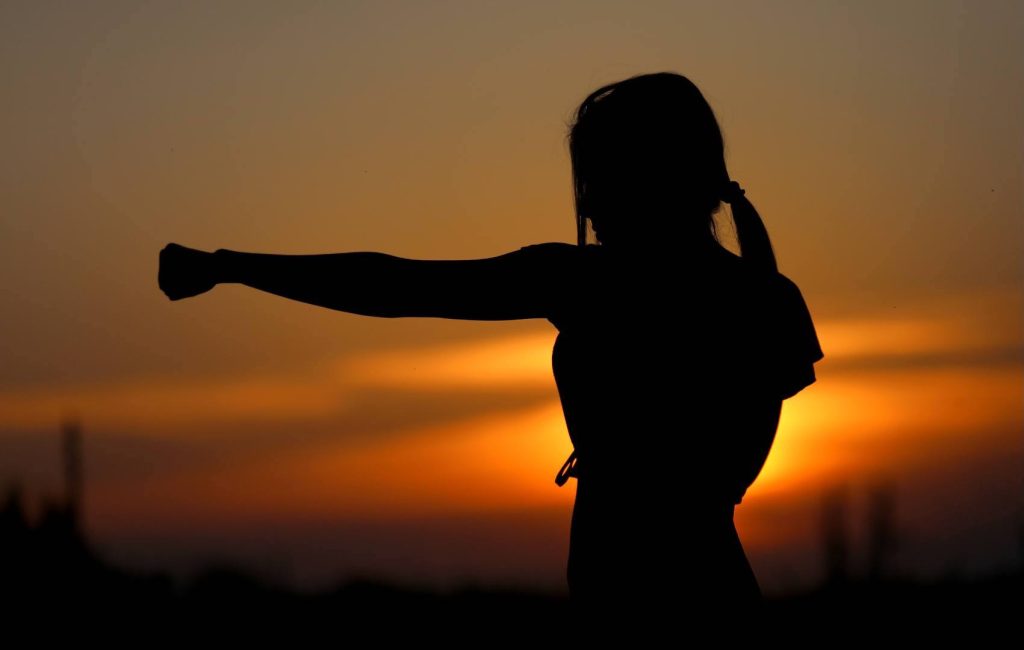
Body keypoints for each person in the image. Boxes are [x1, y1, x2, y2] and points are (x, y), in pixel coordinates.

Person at [158, 72, 824, 619]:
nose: (588, 207)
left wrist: (231, 266)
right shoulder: (767, 300)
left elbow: (394, 285)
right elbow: (732, 465)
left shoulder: (590, 286)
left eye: (600, 179)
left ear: (652, 175)